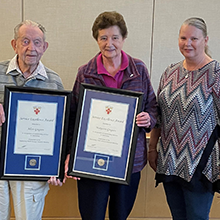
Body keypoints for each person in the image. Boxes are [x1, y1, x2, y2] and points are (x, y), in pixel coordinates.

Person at [65, 11, 157, 220]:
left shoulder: (139, 69)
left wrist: (148, 119)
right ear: (97, 39)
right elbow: (73, 116)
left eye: (115, 37)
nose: (110, 44)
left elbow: (153, 107)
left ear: (123, 38)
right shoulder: (85, 72)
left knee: (120, 216)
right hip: (90, 160)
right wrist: (71, 154)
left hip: (129, 162)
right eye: (103, 38)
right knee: (92, 216)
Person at [148, 17, 220, 220]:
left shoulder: (216, 73)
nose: (187, 43)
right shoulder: (170, 72)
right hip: (169, 160)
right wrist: (152, 148)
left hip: (201, 164)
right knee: (177, 216)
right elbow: (159, 116)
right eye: (183, 38)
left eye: (194, 38)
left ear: (205, 40)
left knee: (196, 217)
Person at [0, 20, 64, 220]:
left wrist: (56, 165)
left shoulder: (54, 82)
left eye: (37, 42)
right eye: (25, 41)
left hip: (31, 166)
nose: (31, 48)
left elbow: (60, 129)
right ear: (14, 44)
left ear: (44, 47)